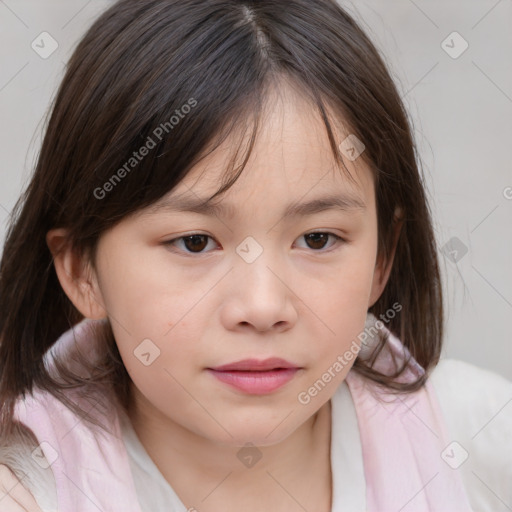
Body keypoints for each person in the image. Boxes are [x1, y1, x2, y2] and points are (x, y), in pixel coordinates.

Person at [0, 0, 510, 511]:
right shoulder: (26, 490)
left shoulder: (482, 444)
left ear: (383, 258)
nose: (264, 307)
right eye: (195, 242)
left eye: (317, 239)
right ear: (80, 269)